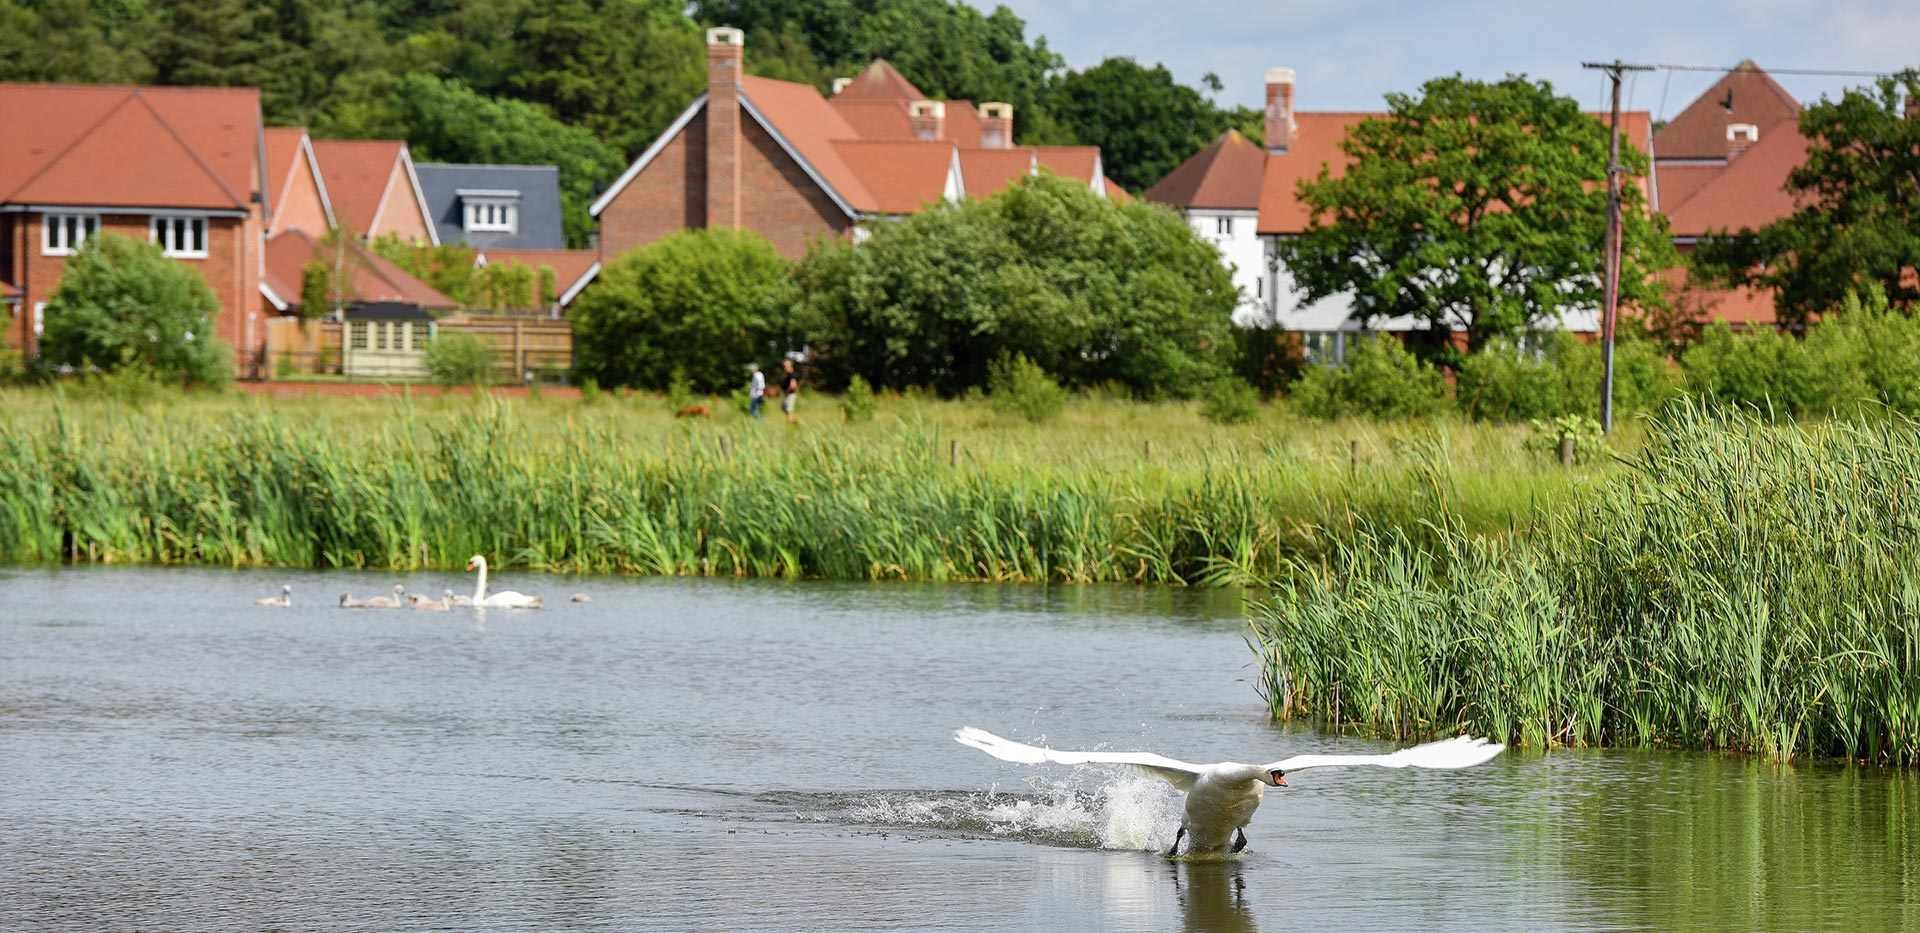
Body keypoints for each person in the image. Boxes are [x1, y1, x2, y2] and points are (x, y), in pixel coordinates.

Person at [780, 358, 799, 424]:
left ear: (790, 365)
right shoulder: (788, 374)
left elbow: (793, 385)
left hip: (790, 394)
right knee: (783, 407)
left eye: (786, 366)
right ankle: (793, 421)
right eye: (784, 366)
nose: (784, 367)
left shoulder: (791, 374)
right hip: (787, 394)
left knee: (789, 410)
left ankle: (792, 424)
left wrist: (787, 392)